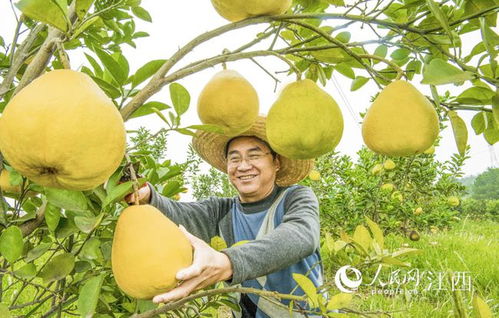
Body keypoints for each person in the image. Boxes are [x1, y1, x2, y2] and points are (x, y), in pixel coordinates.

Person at [126, 116, 323, 318]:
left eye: (254, 156)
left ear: (276, 162)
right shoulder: (221, 211)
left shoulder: (295, 197)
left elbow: (301, 236)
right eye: (234, 158)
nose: (243, 166)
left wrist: (229, 263)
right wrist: (146, 195)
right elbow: (177, 213)